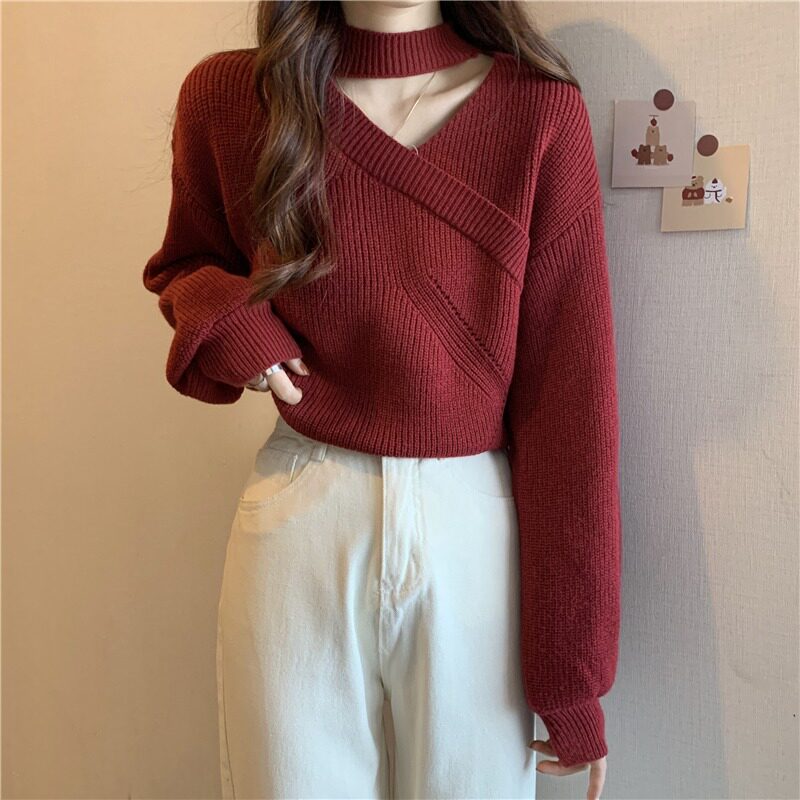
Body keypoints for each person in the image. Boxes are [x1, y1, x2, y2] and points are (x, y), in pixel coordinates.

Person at [142, 1, 622, 798]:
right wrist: (231, 320)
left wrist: (573, 675)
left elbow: (570, 404)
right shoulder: (234, 99)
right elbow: (186, 264)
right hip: (303, 509)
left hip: (476, 524)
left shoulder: (537, 112)